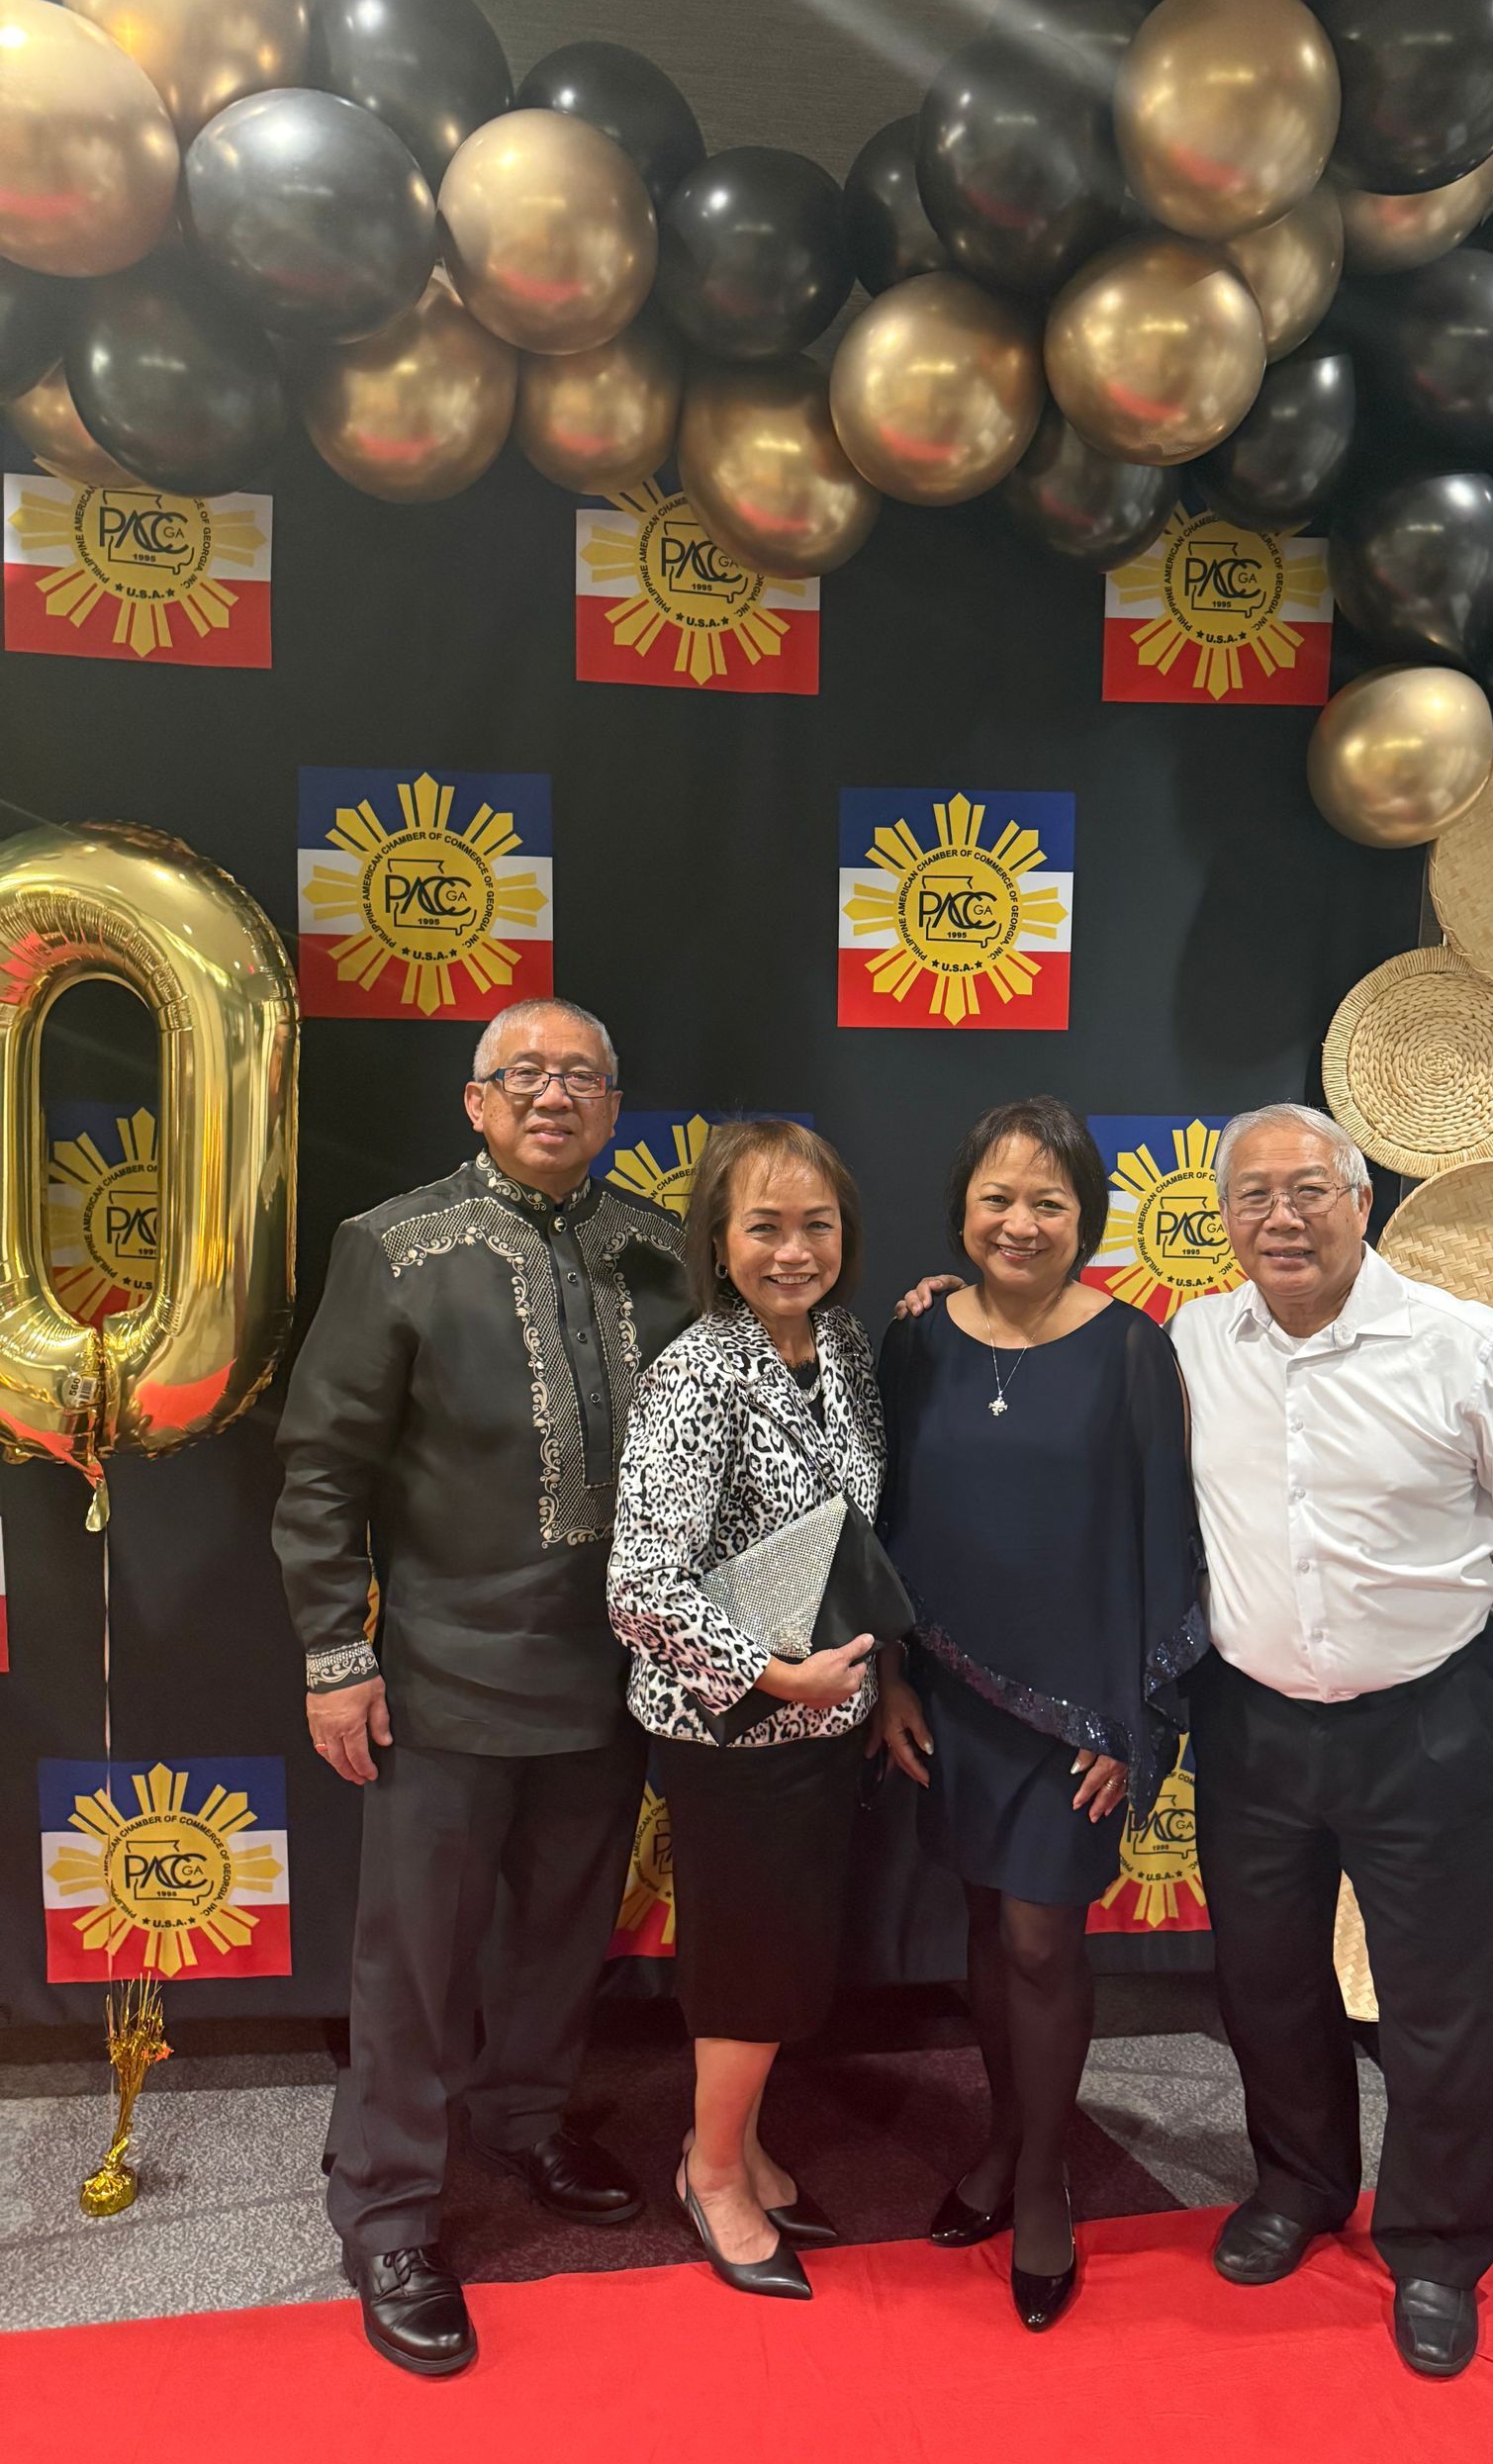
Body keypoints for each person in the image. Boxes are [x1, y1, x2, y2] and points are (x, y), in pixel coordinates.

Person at [274, 998, 694, 2377]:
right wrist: (339, 1657)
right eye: (524, 1073)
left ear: (615, 1102)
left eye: (581, 1072)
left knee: (563, 1932)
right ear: (475, 1100)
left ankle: (521, 2120)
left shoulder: (661, 1251)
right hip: (444, 1675)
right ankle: (388, 2209)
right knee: (414, 1961)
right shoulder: (396, 1247)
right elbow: (323, 1470)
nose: (552, 1094)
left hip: (613, 1675)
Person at [1169, 1102, 1493, 2380]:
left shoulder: (1464, 1347)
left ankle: (1439, 2247)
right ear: (1227, 1219)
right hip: (1250, 1726)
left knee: (1439, 2004)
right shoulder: (1200, 1338)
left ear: (1361, 1200)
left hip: (1428, 1726)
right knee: (1268, 1980)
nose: (1281, 1217)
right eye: (1252, 1196)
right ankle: (1299, 2188)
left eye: (1309, 1189)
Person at [877, 1097, 1203, 2332]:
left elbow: (1163, 1542)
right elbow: (880, 1520)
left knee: (1039, 1939)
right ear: (963, 1208)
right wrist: (893, 1679)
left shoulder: (1132, 1347)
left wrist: (1130, 1717)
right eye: (997, 1199)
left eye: (1048, 1202)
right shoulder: (912, 1340)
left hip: (1076, 1713)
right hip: (950, 1691)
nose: (1020, 1223)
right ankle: (1002, 2138)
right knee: (979, 1919)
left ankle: (1045, 2172)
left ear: (1087, 1218)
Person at [607, 1119, 885, 2303]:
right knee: (750, 1961)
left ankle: (743, 2146)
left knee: (782, 1955)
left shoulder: (847, 1344)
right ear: (718, 1240)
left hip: (830, 1724)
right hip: (734, 1730)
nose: (792, 1250)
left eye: (815, 1225)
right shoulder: (695, 1372)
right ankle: (711, 2173)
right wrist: (779, 1678)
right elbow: (639, 1584)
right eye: (764, 1227)